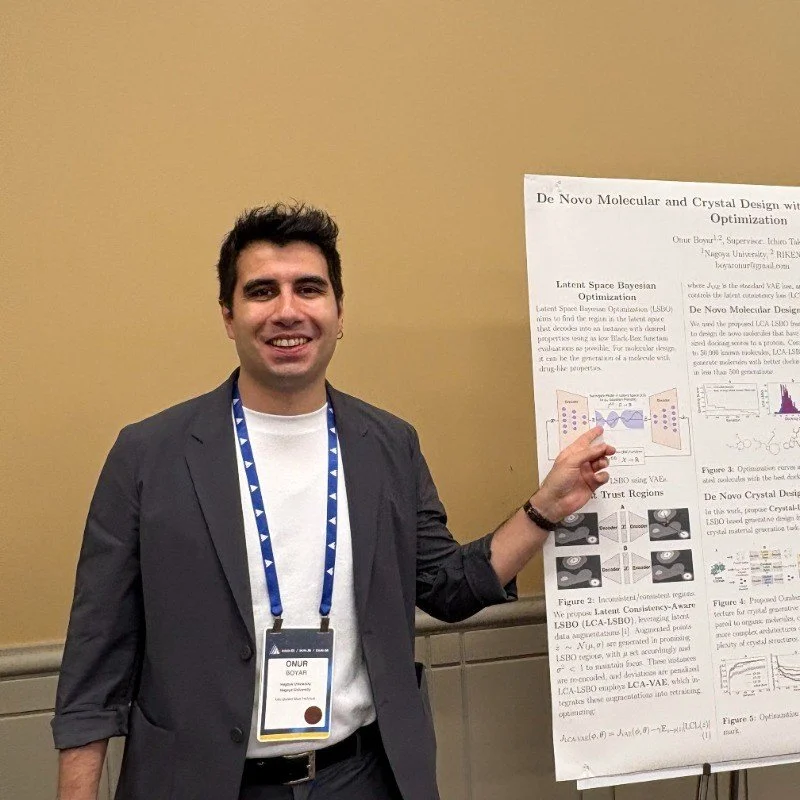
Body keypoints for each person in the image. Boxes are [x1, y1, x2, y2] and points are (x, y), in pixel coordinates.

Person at [53, 203, 614, 800]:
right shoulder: (148, 455)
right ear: (228, 317)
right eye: (261, 291)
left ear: (339, 313)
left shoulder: (389, 445)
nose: (287, 310)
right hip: (200, 782)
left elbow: (446, 587)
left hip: (361, 778)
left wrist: (545, 507)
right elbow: (97, 657)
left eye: (309, 288)